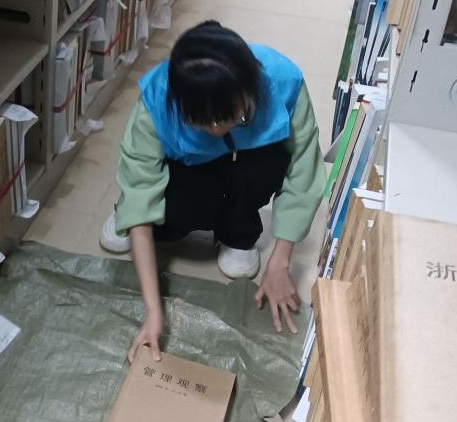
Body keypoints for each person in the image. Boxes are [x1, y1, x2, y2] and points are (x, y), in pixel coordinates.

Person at [99, 20, 326, 362]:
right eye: (203, 123)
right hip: (189, 170)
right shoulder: (158, 101)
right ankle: (124, 214)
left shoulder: (284, 83)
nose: (218, 130)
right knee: (166, 213)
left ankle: (237, 234)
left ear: (252, 88)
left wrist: (280, 261)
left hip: (249, 164)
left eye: (232, 117)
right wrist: (153, 311)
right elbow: (142, 182)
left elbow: (303, 173)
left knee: (263, 167)